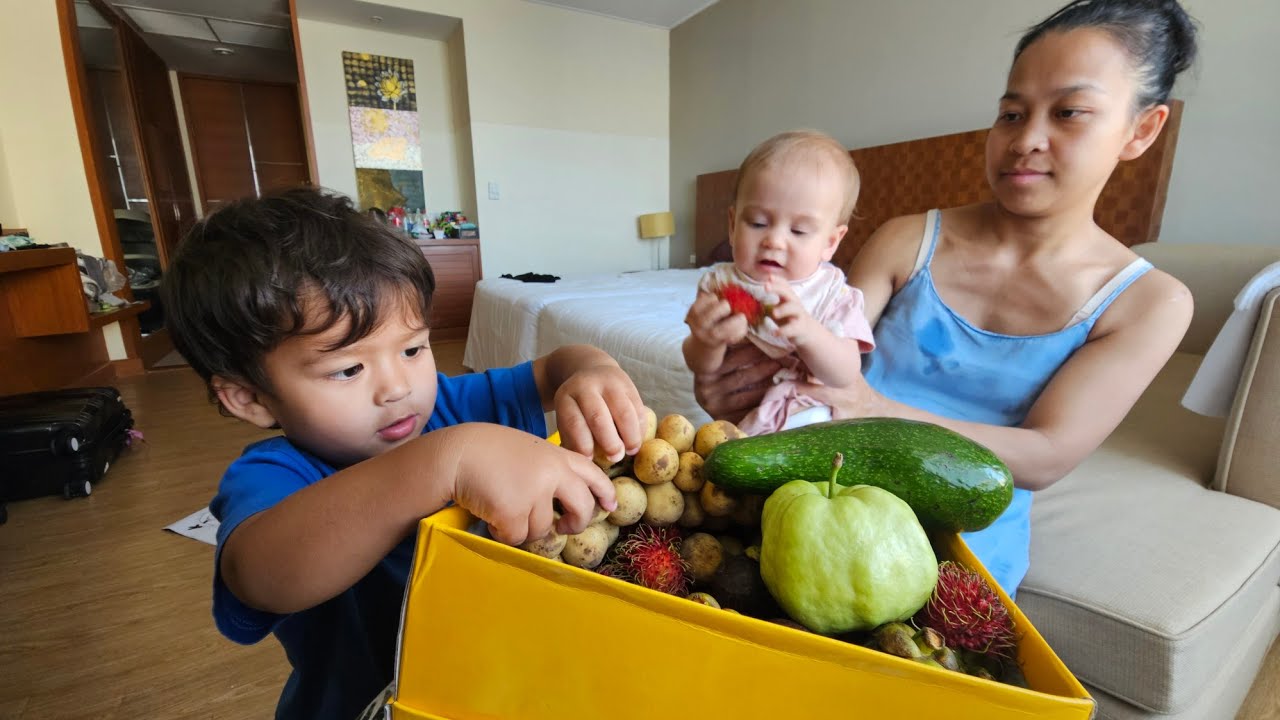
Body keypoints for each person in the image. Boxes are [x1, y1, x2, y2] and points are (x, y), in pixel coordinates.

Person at [694, 0, 1198, 596]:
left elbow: (1045, 456)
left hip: (963, 542)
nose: (1026, 139)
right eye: (1011, 113)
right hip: (818, 499)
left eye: (1069, 112)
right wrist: (723, 380)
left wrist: (874, 408)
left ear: (1141, 129)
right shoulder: (908, 238)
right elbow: (818, 358)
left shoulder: (1149, 303)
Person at [161, 187, 644, 720]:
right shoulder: (273, 475)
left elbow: (554, 367)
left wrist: (592, 369)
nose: (397, 388)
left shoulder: (451, 406)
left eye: (413, 349)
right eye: (347, 369)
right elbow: (260, 576)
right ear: (249, 398)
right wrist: (445, 462)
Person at [683, 130, 875, 436]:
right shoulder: (722, 285)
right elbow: (702, 368)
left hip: (809, 422)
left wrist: (808, 333)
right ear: (732, 226)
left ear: (830, 242)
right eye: (758, 223)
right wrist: (706, 342)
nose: (774, 240)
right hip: (740, 423)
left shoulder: (834, 295)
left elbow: (845, 373)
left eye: (798, 231)